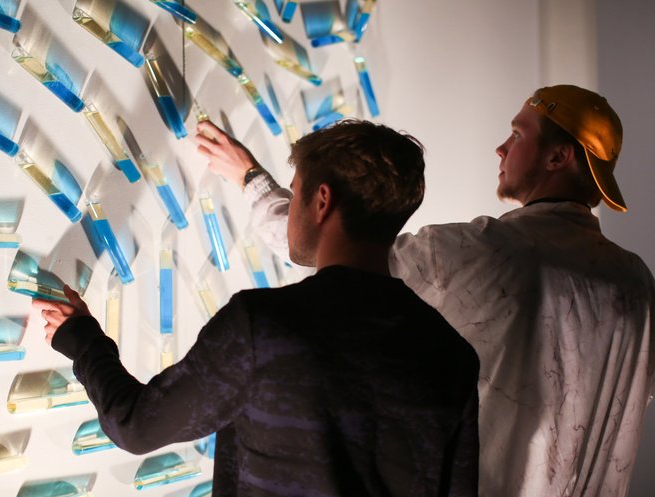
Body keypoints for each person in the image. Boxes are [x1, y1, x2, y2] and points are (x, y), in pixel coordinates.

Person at [195, 84, 655, 497]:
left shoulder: (484, 251)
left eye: (517, 135)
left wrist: (251, 180)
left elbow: (335, 250)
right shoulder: (635, 282)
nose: (501, 148)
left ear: (558, 158)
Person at [33, 119, 481, 497]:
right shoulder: (451, 356)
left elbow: (137, 425)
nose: (290, 213)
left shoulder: (266, 329)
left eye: (297, 193)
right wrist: (249, 176)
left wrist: (82, 339)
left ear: (322, 201)